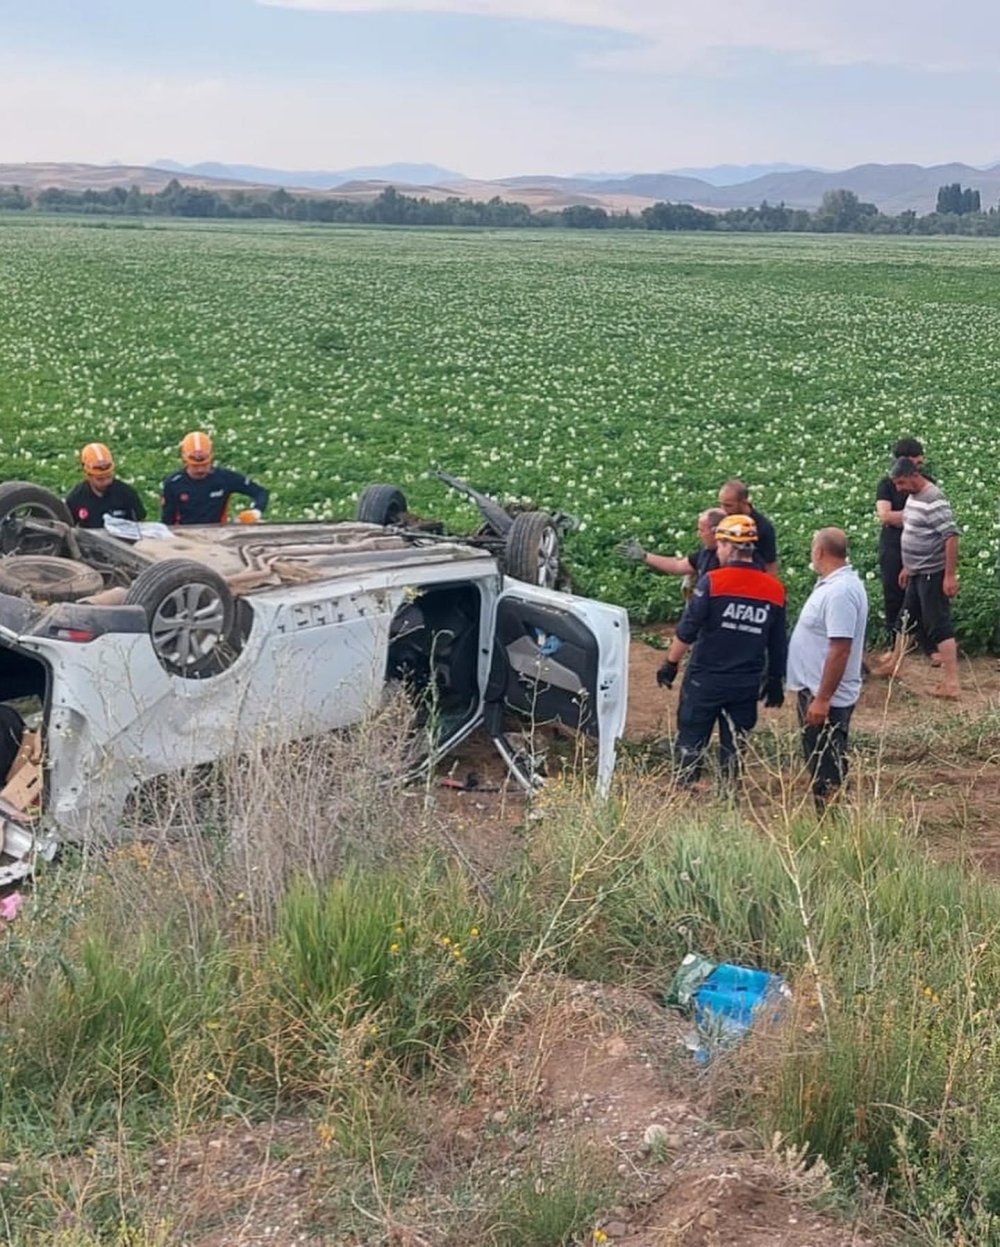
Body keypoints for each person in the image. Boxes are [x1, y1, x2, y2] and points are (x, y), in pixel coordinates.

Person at [656, 514, 787, 787]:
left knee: (690, 743)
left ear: (728, 546)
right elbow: (777, 641)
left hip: (706, 679)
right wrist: (775, 678)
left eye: (719, 545)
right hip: (746, 683)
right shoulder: (774, 590)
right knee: (734, 749)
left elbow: (688, 628)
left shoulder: (714, 582)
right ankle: (728, 801)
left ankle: (684, 796)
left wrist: (670, 663)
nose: (717, 551)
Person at [786, 528, 868, 811]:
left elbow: (840, 648)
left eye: (812, 549)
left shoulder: (840, 592)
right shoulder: (833, 585)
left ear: (819, 552)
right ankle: (830, 822)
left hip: (826, 696)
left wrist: (822, 699)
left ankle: (833, 827)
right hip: (817, 690)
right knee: (820, 762)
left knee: (827, 766)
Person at [872, 458, 960, 698]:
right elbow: (912, 529)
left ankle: (951, 683)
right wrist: (908, 567)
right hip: (917, 572)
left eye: (901, 482)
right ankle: (895, 665)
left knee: (938, 625)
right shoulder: (913, 497)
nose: (898, 488)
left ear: (913, 475)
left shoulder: (934, 498)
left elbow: (951, 536)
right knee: (905, 619)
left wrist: (949, 575)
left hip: (933, 573)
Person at [874, 437, 934, 660]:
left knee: (923, 593)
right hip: (893, 546)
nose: (920, 464)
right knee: (893, 593)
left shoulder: (927, 482)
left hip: (920, 544)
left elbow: (932, 514)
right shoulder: (887, 483)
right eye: (916, 460)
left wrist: (904, 517)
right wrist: (916, 515)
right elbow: (885, 516)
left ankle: (927, 643)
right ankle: (894, 644)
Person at [160, 431, 269, 526]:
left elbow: (260, 492)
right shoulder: (173, 483)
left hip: (217, 532)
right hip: (185, 535)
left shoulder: (224, 478)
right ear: (184, 460)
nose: (200, 470)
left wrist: (255, 512)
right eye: (195, 466)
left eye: (205, 465)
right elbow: (167, 521)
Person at [617, 508, 725, 589]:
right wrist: (645, 556)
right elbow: (677, 566)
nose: (698, 535)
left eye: (701, 530)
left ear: (715, 531)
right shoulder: (705, 553)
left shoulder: (731, 558)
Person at [65, 443, 146, 528]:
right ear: (87, 475)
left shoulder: (126, 494)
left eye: (109, 477)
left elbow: (141, 523)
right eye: (100, 479)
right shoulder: (76, 498)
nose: (106, 482)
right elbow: (68, 528)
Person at [718, 479, 778, 575]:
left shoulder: (763, 527)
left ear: (743, 502)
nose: (723, 510)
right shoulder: (723, 519)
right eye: (720, 504)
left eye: (728, 505)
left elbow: (770, 563)